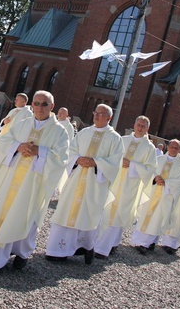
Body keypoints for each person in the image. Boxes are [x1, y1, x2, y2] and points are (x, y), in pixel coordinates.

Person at [0, 91, 69, 271]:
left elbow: (61, 158)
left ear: (52, 106)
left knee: (27, 214)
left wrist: (39, 151)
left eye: (44, 104)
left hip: (34, 182)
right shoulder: (21, 123)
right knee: (2, 211)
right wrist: (18, 146)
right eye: (37, 103)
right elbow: (3, 142)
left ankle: (21, 252)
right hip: (10, 177)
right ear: (32, 105)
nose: (40, 107)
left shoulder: (59, 132)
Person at [44, 104, 124, 264]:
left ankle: (86, 247)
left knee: (88, 213)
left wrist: (96, 162)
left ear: (109, 118)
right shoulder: (84, 132)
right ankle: (56, 250)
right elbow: (70, 150)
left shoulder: (115, 138)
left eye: (101, 114)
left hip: (95, 183)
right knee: (67, 210)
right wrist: (77, 159)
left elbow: (115, 163)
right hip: (76, 179)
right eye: (96, 112)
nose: (97, 116)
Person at [95, 116, 157, 258]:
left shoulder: (149, 148)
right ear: (134, 125)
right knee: (107, 212)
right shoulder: (122, 140)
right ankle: (107, 244)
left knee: (119, 215)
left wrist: (132, 165)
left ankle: (103, 249)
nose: (140, 128)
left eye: (143, 126)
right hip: (114, 182)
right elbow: (110, 156)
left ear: (147, 129)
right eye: (138, 124)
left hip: (130, 186)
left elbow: (151, 169)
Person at [131, 139, 180, 254]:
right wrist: (155, 178)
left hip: (165, 196)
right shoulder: (159, 159)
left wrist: (167, 182)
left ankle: (145, 244)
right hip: (153, 192)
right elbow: (150, 171)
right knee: (147, 216)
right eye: (171, 146)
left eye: (176, 148)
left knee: (157, 219)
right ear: (168, 147)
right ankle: (145, 242)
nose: (173, 149)